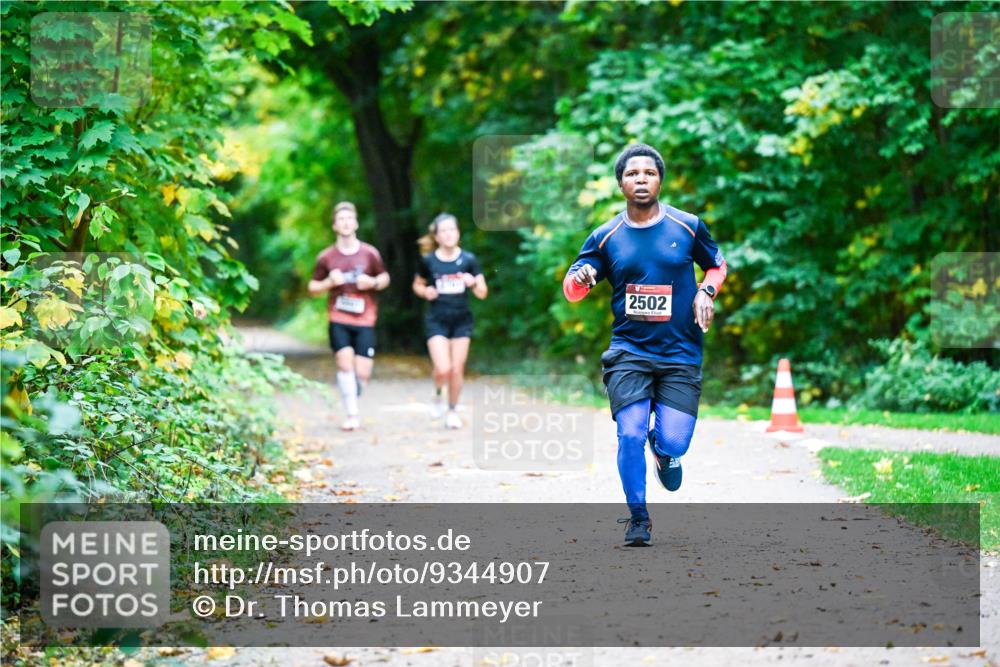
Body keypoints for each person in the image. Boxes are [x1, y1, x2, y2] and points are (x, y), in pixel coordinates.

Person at [563, 144, 728, 546]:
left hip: (680, 353)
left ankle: (664, 450)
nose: (641, 179)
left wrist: (706, 291)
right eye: (632, 173)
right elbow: (572, 288)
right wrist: (583, 278)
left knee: (675, 440)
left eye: (649, 173)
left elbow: (717, 264)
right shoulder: (606, 237)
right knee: (630, 431)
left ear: (660, 180)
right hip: (629, 353)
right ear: (620, 183)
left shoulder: (688, 226)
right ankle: (638, 517)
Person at [309, 201, 390, 431]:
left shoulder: (369, 253)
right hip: (339, 318)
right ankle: (352, 414)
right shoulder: (326, 257)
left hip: (365, 319)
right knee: (345, 365)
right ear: (335, 225)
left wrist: (371, 282)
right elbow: (312, 287)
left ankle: (352, 394)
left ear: (355, 223)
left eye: (349, 218)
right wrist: (328, 282)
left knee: (362, 374)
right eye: (340, 219)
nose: (345, 222)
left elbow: (385, 278)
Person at [412, 213, 488, 429]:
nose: (448, 234)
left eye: (452, 229)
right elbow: (417, 285)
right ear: (436, 236)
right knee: (443, 368)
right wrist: (425, 291)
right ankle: (437, 395)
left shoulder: (468, 260)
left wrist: (472, 283)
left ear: (458, 233)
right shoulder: (428, 261)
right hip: (437, 320)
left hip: (461, 320)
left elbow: (483, 292)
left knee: (457, 368)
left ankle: (452, 409)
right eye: (443, 230)